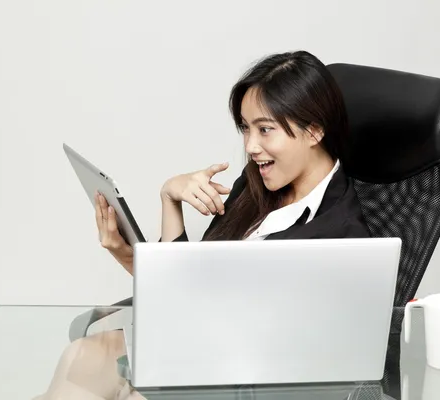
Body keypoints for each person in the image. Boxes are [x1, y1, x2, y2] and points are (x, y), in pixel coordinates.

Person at [35, 50, 370, 399]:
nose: (251, 147)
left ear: (314, 130)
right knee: (82, 355)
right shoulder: (259, 182)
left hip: (240, 378)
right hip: (194, 347)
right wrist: (168, 201)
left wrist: (136, 264)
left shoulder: (340, 237)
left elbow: (266, 348)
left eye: (265, 130)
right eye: (245, 128)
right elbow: (193, 292)